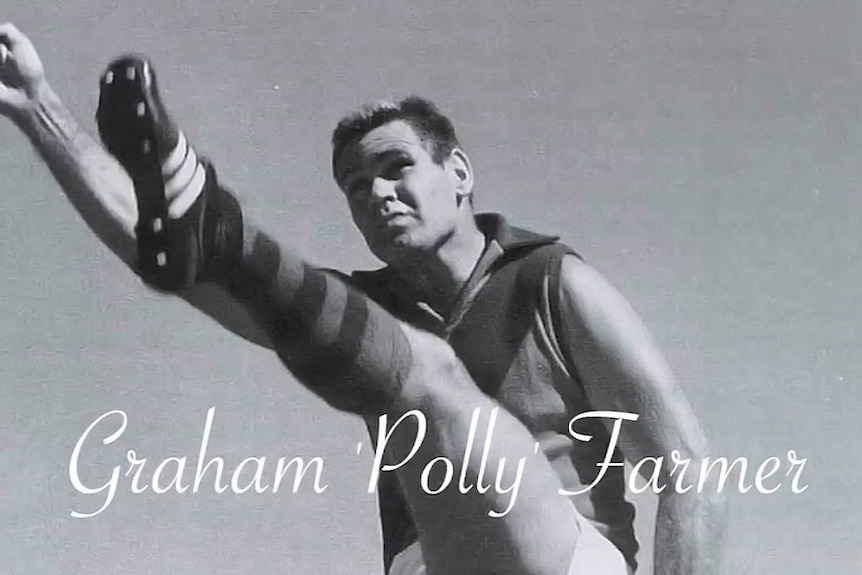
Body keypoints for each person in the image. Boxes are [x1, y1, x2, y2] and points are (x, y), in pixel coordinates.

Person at [0, 23, 726, 575]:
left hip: (566, 561)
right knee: (380, 353)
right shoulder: (344, 319)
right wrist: (40, 110)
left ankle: (229, 229)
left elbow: (688, 471)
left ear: (460, 173)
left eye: (394, 167)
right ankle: (221, 226)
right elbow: (171, 256)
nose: (375, 192)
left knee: (429, 376)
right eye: (354, 185)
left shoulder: (552, 281)